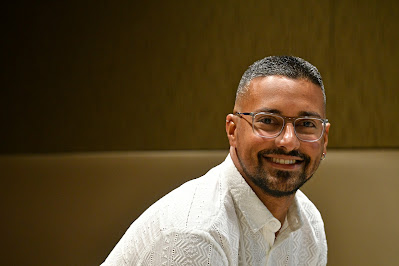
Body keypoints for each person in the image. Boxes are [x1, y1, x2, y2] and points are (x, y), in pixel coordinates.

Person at [102, 56, 330, 265]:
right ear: (232, 130)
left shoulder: (309, 223)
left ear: (324, 139)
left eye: (307, 124)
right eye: (268, 121)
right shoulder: (193, 233)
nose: (288, 142)